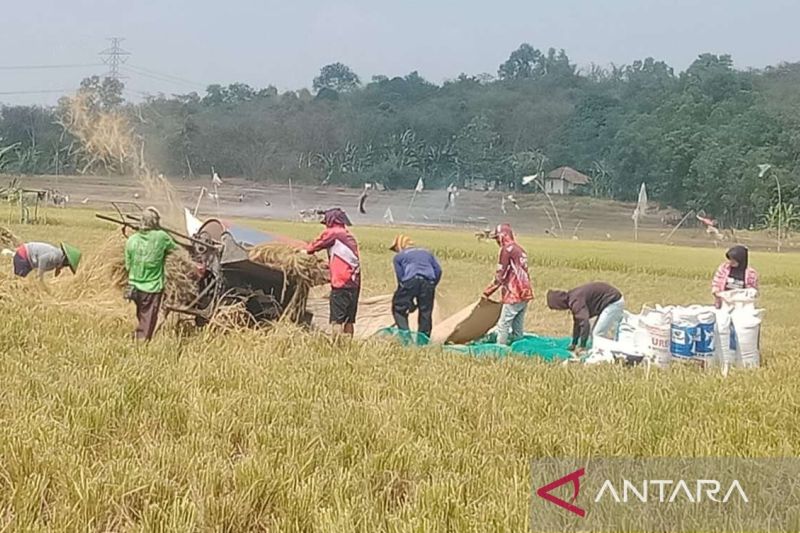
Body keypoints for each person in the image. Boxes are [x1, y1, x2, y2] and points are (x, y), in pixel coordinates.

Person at [306, 208, 361, 337]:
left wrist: (303, 252)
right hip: (354, 282)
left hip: (341, 283)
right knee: (349, 319)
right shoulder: (347, 235)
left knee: (337, 319)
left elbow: (312, 247)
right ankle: (349, 344)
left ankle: (337, 345)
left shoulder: (333, 233)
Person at [124, 207, 176, 341]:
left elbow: (128, 265)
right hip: (151, 287)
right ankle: (141, 343)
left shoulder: (131, 240)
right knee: (148, 317)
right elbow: (174, 248)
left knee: (141, 313)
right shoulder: (161, 237)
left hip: (133, 286)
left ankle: (139, 335)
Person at [482, 223, 533, 345]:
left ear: (503, 236)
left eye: (497, 238)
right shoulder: (520, 249)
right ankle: (518, 345)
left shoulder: (506, 250)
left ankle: (500, 349)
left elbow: (501, 275)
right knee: (517, 324)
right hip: (525, 293)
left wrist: (487, 292)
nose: (497, 241)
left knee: (503, 324)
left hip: (514, 293)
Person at [546, 282, 624, 354]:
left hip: (614, 302)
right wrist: (574, 343)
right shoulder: (572, 297)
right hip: (606, 302)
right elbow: (578, 323)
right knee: (593, 333)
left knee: (597, 333)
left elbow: (585, 323)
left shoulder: (576, 302)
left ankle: (603, 355)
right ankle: (598, 349)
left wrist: (582, 346)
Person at [390, 234, 442, 340]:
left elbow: (401, 278)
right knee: (425, 312)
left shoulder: (399, 257)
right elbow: (438, 270)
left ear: (399, 246)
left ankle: (406, 340)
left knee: (399, 308)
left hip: (410, 281)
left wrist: (407, 301)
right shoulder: (427, 253)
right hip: (428, 282)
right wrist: (432, 285)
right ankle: (423, 342)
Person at [12, 241, 81, 281]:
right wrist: (40, 277)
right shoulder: (56, 256)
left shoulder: (57, 256)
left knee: (22, 281)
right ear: (65, 259)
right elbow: (43, 259)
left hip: (28, 259)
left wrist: (58, 268)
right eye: (66, 265)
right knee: (19, 281)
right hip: (23, 256)